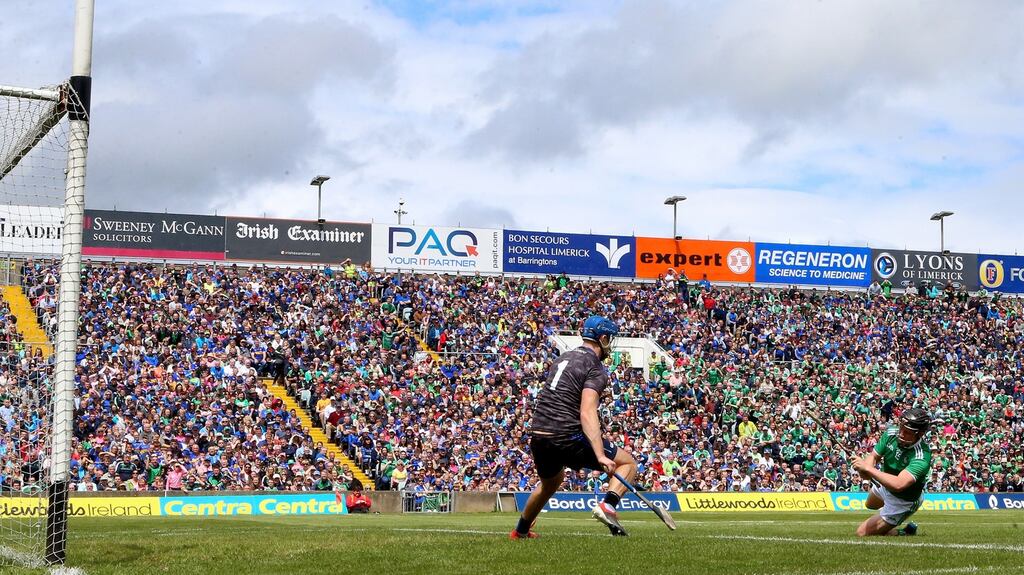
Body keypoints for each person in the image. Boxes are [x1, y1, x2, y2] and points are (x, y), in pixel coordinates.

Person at [510, 315, 638, 539]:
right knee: (627, 462)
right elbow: (587, 411)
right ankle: (608, 505)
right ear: (604, 339)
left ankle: (520, 531)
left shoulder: (563, 357)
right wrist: (599, 455)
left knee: (551, 482)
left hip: (539, 434)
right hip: (565, 435)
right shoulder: (595, 367)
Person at [851, 408, 933, 537]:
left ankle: (903, 531)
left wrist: (868, 469)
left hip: (903, 500)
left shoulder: (921, 456)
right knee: (870, 504)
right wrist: (864, 470)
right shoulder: (891, 434)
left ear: (920, 434)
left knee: (861, 533)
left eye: (907, 432)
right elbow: (873, 456)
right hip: (884, 486)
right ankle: (886, 521)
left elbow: (899, 485)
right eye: (901, 428)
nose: (901, 433)